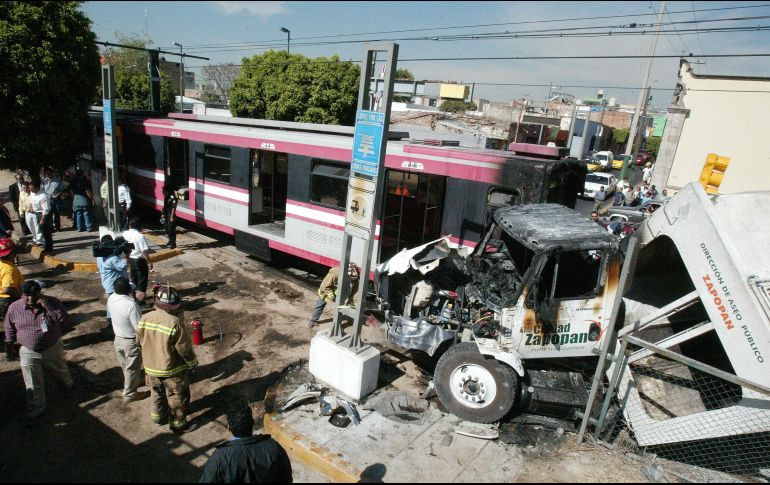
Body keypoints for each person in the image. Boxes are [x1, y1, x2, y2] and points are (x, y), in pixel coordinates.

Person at [4, 280, 73, 420]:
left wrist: (48, 307)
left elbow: (63, 320)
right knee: (32, 382)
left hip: (52, 347)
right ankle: (37, 408)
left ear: (40, 294)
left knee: (60, 371)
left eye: (34, 295)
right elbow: (9, 327)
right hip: (28, 350)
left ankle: (68, 388)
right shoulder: (14, 308)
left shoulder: (52, 302)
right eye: (26, 295)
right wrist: (9, 345)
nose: (30, 299)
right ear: (21, 295)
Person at [137, 285, 198, 433]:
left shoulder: (145, 318)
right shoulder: (174, 322)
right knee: (176, 396)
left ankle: (158, 418)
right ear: (174, 306)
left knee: (156, 393)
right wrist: (192, 363)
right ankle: (178, 425)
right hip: (171, 370)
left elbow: (138, 341)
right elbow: (184, 349)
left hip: (151, 368)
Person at [199, 400, 293, 483]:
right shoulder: (274, 447)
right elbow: (286, 478)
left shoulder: (220, 457)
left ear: (229, 427)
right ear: (252, 423)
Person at [107, 277, 150, 403]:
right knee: (132, 368)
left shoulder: (111, 298)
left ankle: (133, 382)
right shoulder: (132, 305)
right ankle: (130, 394)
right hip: (130, 341)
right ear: (129, 291)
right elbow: (139, 327)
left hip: (118, 339)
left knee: (126, 366)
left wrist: (134, 296)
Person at [308, 263, 359, 328]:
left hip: (339, 292)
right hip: (325, 291)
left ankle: (338, 324)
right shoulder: (335, 273)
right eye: (350, 279)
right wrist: (333, 297)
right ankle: (313, 320)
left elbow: (355, 292)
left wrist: (356, 304)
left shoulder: (355, 278)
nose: (352, 281)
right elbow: (325, 287)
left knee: (342, 307)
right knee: (320, 305)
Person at [96, 234, 130, 329]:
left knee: (111, 301)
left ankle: (110, 319)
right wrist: (127, 255)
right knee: (116, 301)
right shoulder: (112, 258)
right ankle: (113, 320)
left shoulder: (99, 256)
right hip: (114, 284)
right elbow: (123, 266)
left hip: (107, 282)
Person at [0, 238, 23, 359]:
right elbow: (7, 289)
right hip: (7, 300)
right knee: (13, 326)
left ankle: (10, 350)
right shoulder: (8, 268)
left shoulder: (2, 264)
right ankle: (11, 352)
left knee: (8, 325)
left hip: (2, 300)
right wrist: (20, 295)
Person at [123, 218, 153, 300]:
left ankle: (134, 297)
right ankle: (141, 300)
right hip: (139, 260)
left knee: (134, 280)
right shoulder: (140, 236)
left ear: (130, 226)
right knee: (142, 280)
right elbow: (144, 251)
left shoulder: (125, 233)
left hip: (130, 259)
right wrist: (149, 262)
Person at [29, 181, 53, 252]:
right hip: (36, 213)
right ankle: (46, 245)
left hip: (43, 215)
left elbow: (45, 210)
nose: (30, 189)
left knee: (46, 232)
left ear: (37, 187)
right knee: (41, 231)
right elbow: (31, 200)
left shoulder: (43, 196)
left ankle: (49, 248)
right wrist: (31, 207)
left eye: (32, 188)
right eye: (30, 188)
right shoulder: (32, 193)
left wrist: (42, 220)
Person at [70, 167, 95, 232]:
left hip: (76, 198)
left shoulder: (73, 181)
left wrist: (73, 198)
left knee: (78, 213)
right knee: (86, 213)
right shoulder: (85, 181)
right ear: (82, 174)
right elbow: (87, 191)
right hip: (84, 198)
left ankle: (80, 228)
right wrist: (92, 199)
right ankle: (89, 228)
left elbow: (71, 191)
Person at [40, 167, 63, 232]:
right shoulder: (43, 181)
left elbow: (61, 190)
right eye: (46, 174)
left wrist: (56, 196)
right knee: (49, 214)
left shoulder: (57, 180)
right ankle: (51, 227)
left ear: (52, 173)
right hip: (47, 200)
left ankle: (57, 227)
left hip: (56, 200)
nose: (47, 175)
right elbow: (42, 190)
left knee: (57, 213)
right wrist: (46, 196)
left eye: (49, 173)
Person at [9, 172, 29, 236]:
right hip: (19, 205)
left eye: (22, 178)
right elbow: (12, 198)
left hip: (28, 204)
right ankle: (24, 230)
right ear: (16, 179)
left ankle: (30, 229)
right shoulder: (12, 187)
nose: (21, 180)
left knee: (29, 217)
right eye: (19, 179)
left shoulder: (27, 184)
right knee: (22, 218)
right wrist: (17, 205)